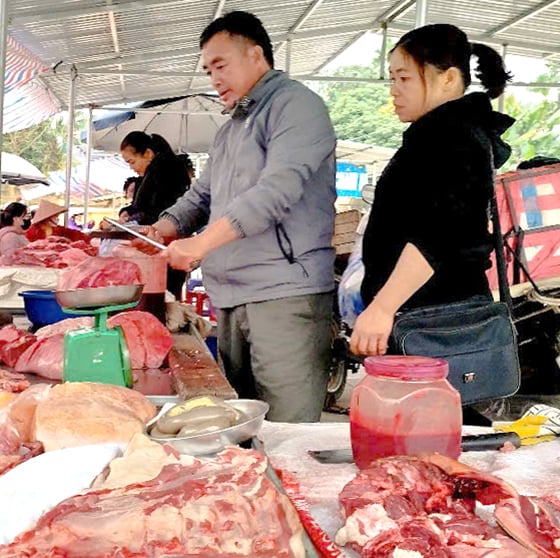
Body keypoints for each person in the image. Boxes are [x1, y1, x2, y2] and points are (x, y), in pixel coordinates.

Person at [146, 11, 337, 423]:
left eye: (221, 65)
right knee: (240, 425)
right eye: (208, 69)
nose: (214, 78)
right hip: (231, 295)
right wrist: (164, 227)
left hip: (284, 295)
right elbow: (202, 195)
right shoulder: (232, 127)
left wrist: (200, 245)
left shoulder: (297, 106)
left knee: (287, 430)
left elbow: (275, 192)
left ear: (255, 56)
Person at [350, 24, 514, 357]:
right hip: (430, 319)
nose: (394, 90)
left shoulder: (452, 138)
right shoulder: (445, 134)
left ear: (449, 79)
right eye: (392, 79)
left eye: (405, 78)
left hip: (434, 322)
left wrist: (383, 307)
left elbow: (438, 236)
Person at [120, 131, 191, 226]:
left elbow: (159, 210)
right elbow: (140, 207)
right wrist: (127, 212)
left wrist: (132, 219)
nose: (131, 168)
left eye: (132, 162)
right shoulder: (147, 177)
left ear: (148, 154)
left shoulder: (167, 172)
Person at [25, 199, 90, 243]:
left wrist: (89, 239)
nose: (57, 219)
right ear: (47, 218)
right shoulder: (32, 231)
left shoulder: (58, 229)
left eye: (57, 216)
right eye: (56, 216)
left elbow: (74, 234)